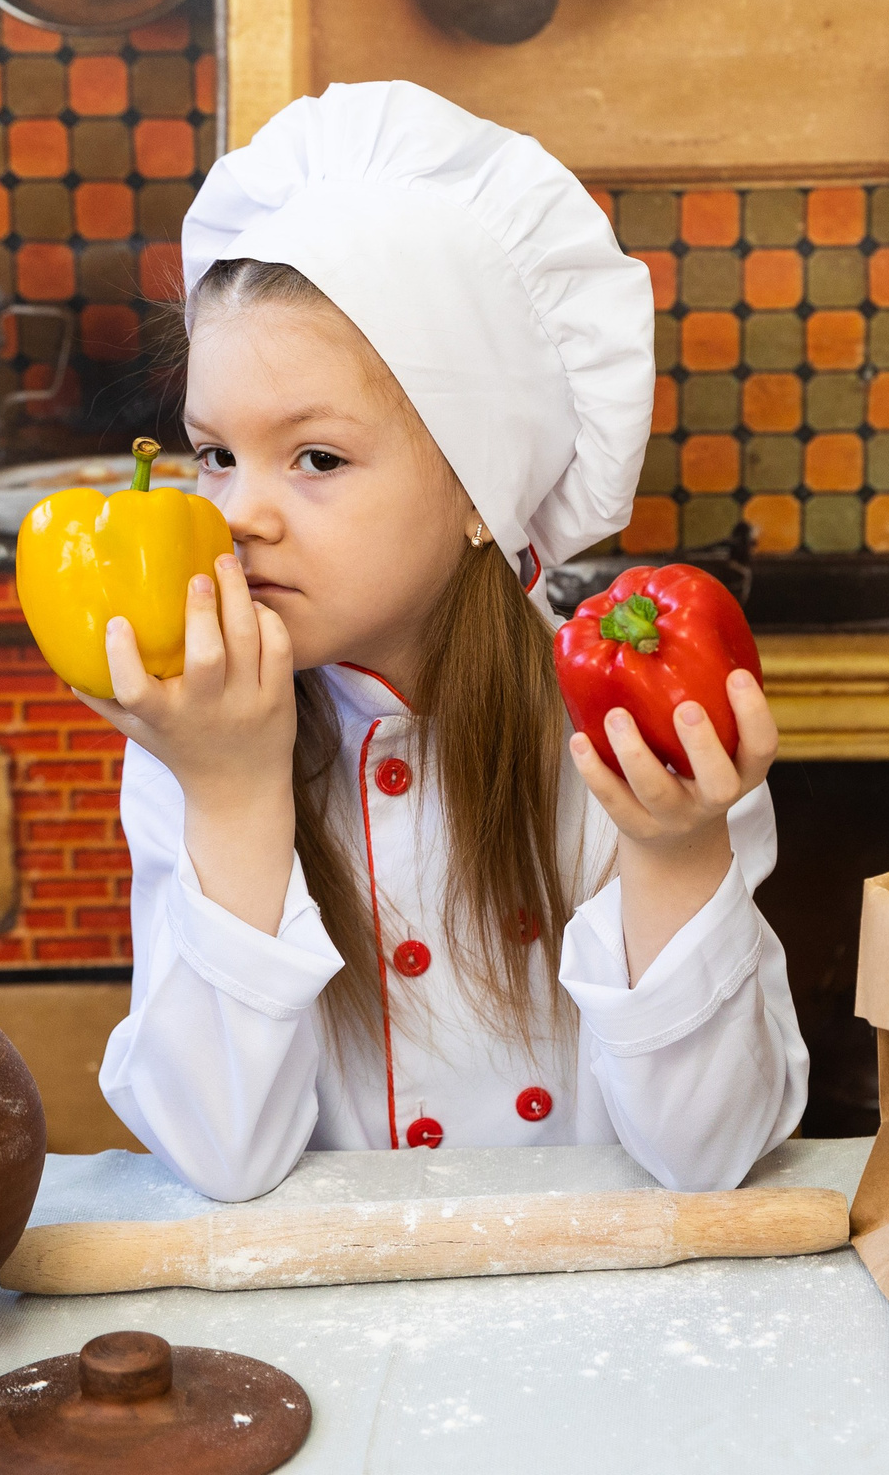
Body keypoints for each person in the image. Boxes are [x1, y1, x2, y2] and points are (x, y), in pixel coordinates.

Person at [88, 81, 808, 1202]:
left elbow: (710, 1154)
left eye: (315, 458)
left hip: (593, 1324)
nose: (235, 514)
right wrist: (230, 794)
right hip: (320, 1335)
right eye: (215, 454)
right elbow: (217, 1159)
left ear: (483, 484)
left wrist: (674, 852)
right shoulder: (193, 734)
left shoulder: (629, 733)